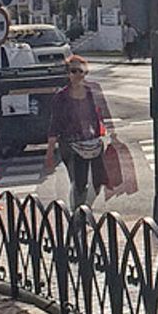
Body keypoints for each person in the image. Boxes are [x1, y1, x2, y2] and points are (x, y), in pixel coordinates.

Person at [42, 56, 117, 208]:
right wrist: (50, 151)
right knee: (79, 184)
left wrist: (112, 133)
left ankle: (84, 210)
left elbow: (102, 113)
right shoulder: (61, 97)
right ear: (68, 73)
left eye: (81, 71)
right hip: (70, 145)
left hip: (93, 142)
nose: (77, 75)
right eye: (73, 71)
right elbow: (54, 124)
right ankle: (77, 217)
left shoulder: (91, 93)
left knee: (98, 181)